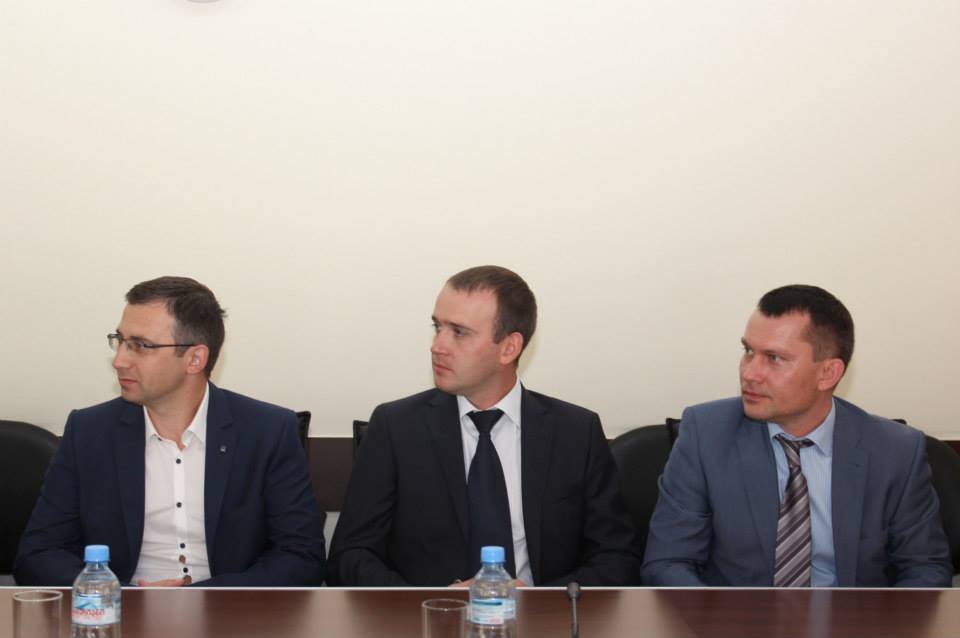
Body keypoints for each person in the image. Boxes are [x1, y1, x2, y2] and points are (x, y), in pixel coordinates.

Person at [329, 265, 639, 586]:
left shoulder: (576, 432)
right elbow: (349, 557)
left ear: (509, 348)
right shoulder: (395, 428)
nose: (437, 346)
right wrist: (436, 602)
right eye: (437, 327)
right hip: (430, 613)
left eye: (459, 332)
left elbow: (617, 557)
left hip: (543, 612)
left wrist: (541, 599)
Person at [14, 276, 326, 586]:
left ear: (195, 359)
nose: (119, 360)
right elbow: (38, 555)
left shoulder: (268, 431)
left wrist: (198, 599)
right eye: (120, 341)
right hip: (121, 608)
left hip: (228, 609)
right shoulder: (89, 432)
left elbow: (302, 558)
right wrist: (122, 596)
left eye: (140, 346)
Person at [642, 284, 951, 587]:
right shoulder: (706, 433)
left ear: (828, 373)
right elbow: (668, 562)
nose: (749, 373)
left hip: (850, 616)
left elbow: (925, 569)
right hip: (736, 616)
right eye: (748, 351)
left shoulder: (895, 451)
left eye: (774, 358)